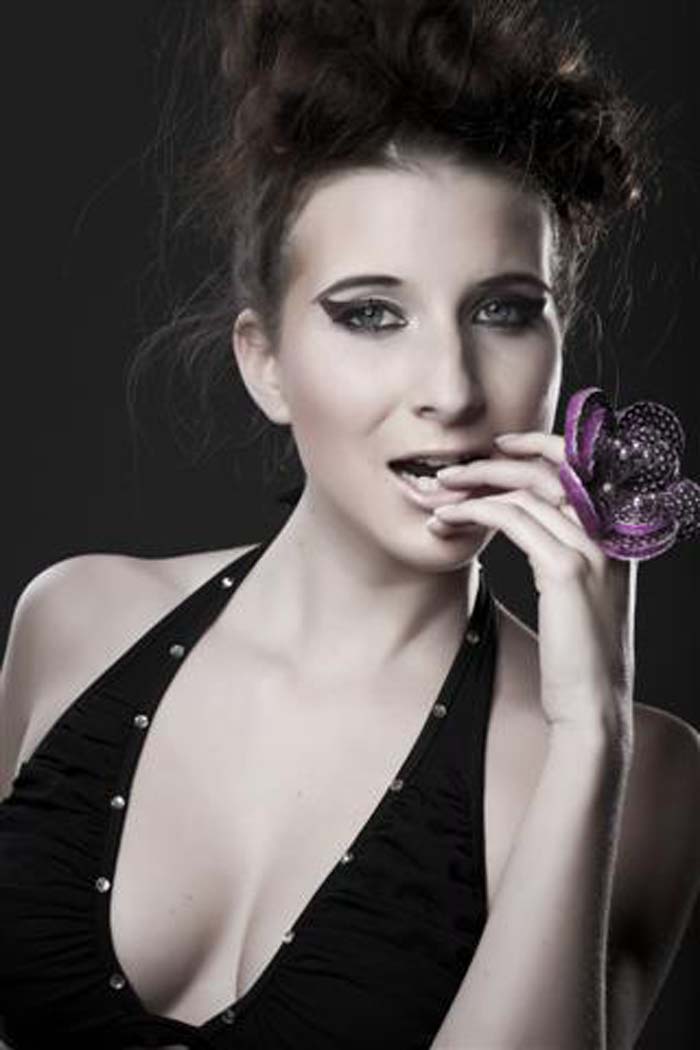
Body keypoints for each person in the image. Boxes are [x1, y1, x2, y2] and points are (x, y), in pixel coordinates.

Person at [1, 1, 698, 1048]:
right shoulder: (75, 624)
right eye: (372, 314)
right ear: (265, 364)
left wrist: (587, 729)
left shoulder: (637, 768)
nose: (452, 390)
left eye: (504, 310)